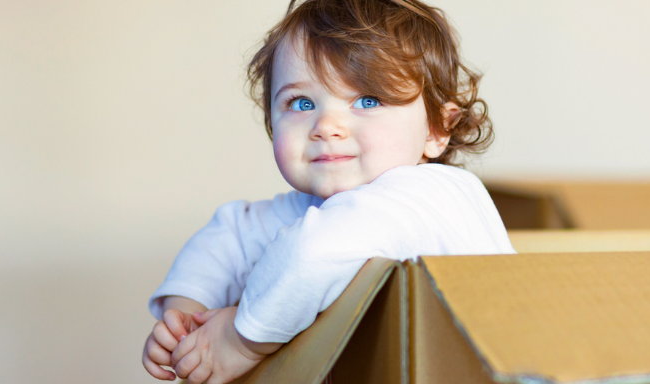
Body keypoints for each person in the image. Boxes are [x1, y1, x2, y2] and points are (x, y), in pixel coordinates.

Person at [141, 0, 515, 382]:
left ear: (437, 128)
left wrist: (238, 340)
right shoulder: (310, 209)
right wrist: (187, 315)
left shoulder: (432, 195)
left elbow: (311, 256)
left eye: (368, 100)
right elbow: (230, 235)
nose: (327, 125)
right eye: (302, 103)